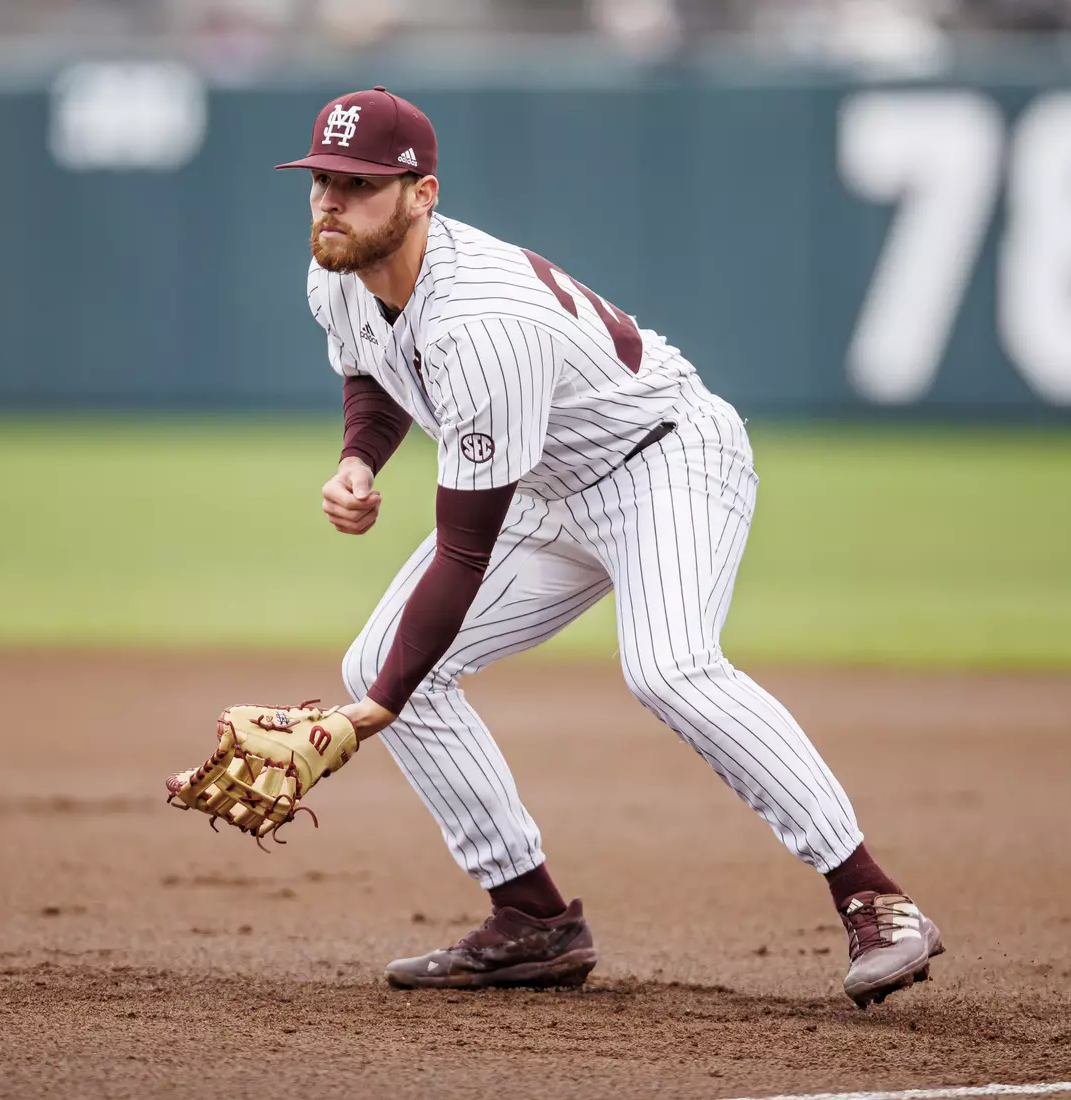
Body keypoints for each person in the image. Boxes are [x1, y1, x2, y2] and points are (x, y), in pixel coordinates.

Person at [274, 86, 943, 1006]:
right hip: (545, 482)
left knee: (667, 667)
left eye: (357, 183)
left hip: (662, 461)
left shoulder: (484, 322)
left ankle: (873, 897)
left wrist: (369, 714)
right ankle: (532, 918)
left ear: (422, 194)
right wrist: (359, 459)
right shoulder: (335, 269)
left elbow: (464, 554)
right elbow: (375, 371)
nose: (329, 201)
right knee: (379, 665)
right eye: (319, 179)